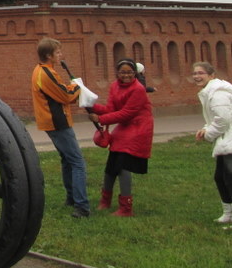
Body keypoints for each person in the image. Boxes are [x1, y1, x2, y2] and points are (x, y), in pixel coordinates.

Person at [31, 38, 90, 218]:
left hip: (53, 122)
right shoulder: (45, 73)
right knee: (77, 162)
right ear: (48, 55)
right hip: (57, 122)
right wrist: (78, 87)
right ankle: (81, 206)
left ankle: (71, 198)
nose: (60, 55)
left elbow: (59, 90)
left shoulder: (42, 70)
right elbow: (65, 95)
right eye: (57, 52)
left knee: (67, 159)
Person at [88, 58, 154, 217]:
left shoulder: (138, 89)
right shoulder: (114, 86)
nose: (126, 75)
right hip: (125, 127)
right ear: (117, 73)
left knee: (124, 166)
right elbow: (111, 108)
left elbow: (127, 113)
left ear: (135, 73)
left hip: (138, 128)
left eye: (130, 72)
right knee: (111, 166)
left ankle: (126, 208)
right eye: (123, 72)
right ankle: (105, 201)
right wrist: (89, 104)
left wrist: (100, 119)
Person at [192, 61, 232, 224]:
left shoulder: (217, 93)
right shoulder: (209, 92)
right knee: (220, 177)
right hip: (226, 140)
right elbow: (215, 118)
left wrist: (208, 134)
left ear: (211, 75)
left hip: (230, 140)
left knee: (230, 178)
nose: (197, 76)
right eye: (195, 73)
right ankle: (228, 213)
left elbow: (223, 120)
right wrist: (205, 128)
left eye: (201, 73)